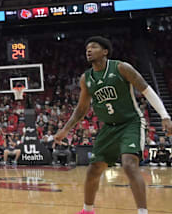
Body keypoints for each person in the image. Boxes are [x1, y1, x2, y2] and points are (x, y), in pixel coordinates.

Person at [54, 36, 172, 214]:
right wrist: (65, 130)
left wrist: (164, 115)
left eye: (93, 47)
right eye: (87, 48)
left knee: (129, 164)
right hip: (109, 127)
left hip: (130, 122)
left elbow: (146, 89)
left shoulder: (121, 68)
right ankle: (87, 210)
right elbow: (81, 109)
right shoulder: (86, 78)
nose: (89, 50)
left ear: (105, 51)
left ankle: (143, 212)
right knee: (93, 169)